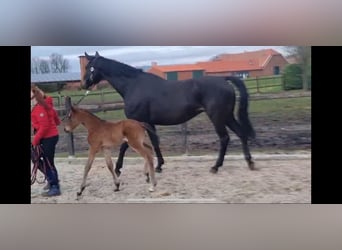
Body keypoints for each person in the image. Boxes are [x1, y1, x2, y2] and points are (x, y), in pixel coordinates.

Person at [31, 84, 61, 196]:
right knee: (46, 161)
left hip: (48, 137)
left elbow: (44, 127)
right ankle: (52, 180)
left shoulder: (39, 108)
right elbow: (57, 120)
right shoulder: (47, 105)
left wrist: (35, 140)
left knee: (47, 162)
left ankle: (54, 186)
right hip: (50, 136)